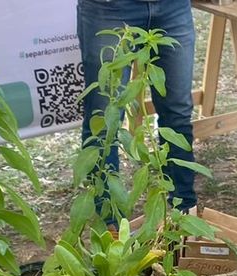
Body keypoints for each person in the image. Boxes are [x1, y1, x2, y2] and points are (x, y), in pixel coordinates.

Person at [78, 0, 197, 212]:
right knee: (105, 119)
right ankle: (108, 227)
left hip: (173, 6)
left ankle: (183, 214)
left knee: (178, 112)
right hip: (109, 8)